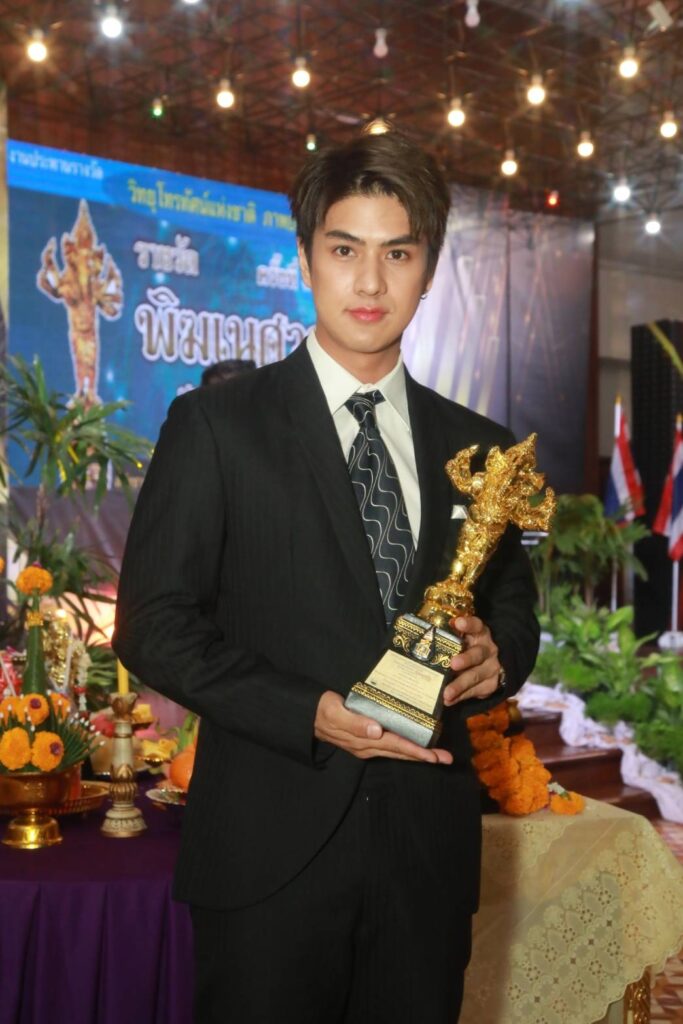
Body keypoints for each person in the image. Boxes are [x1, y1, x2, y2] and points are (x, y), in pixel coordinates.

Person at [113, 130, 539, 1024]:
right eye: (345, 251)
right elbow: (153, 624)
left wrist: (494, 656)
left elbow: (511, 610)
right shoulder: (216, 426)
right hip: (265, 856)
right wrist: (307, 711)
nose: (370, 282)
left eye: (398, 254)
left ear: (428, 269)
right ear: (306, 259)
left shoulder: (481, 448)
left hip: (424, 861)